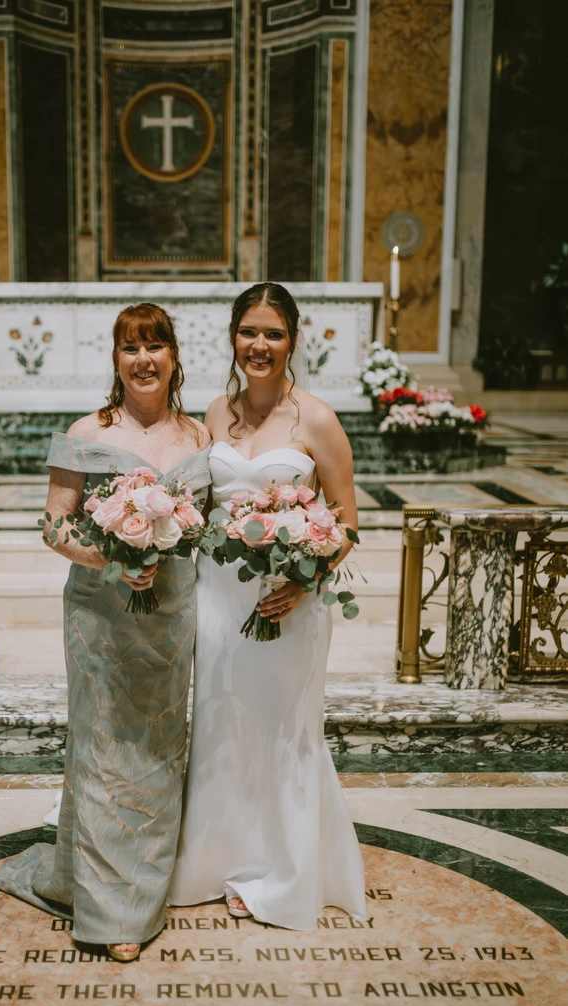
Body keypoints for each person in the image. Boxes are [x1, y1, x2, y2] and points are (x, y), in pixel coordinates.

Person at [0, 303, 210, 962]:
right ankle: (115, 909)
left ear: (174, 355)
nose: (144, 358)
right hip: (100, 615)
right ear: (115, 358)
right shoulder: (86, 429)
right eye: (130, 347)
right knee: (104, 746)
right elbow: (56, 524)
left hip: (171, 614)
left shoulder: (199, 435)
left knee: (158, 745)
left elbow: (209, 522)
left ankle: (135, 876)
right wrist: (112, 555)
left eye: (156, 345)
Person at [169, 282, 366, 929]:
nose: (259, 345)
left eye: (273, 334)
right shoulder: (213, 413)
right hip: (218, 597)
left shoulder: (315, 418)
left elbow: (348, 521)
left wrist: (306, 579)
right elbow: (197, 509)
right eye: (249, 331)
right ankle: (219, 859)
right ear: (232, 337)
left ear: (293, 341)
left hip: (290, 601)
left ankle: (281, 873)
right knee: (224, 723)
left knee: (283, 729)